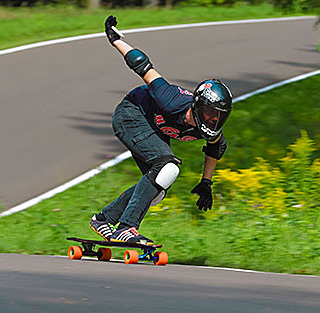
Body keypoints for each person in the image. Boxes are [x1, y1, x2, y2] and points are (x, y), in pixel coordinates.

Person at [89, 16, 233, 244]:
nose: (213, 120)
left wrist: (206, 182)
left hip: (150, 128)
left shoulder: (211, 129)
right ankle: (127, 228)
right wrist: (115, 39)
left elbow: (215, 149)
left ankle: (104, 219)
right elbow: (142, 65)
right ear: (197, 105)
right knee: (167, 167)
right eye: (209, 113)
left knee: (156, 190)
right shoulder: (172, 99)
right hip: (131, 114)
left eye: (219, 116)